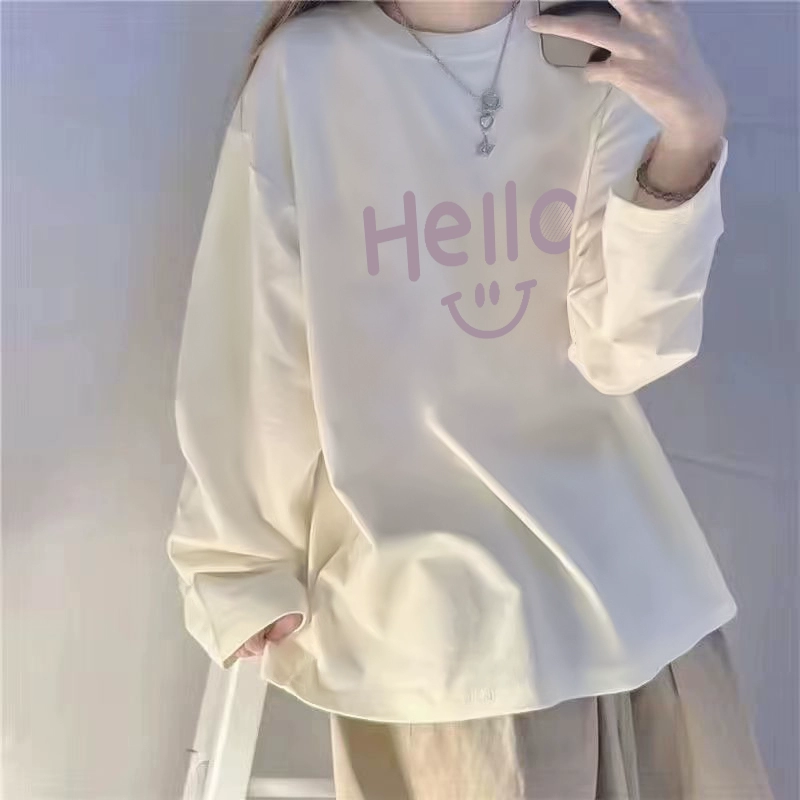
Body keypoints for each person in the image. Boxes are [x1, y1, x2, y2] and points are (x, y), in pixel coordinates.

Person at [165, 1, 775, 797]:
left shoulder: (603, 42)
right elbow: (256, 337)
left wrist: (690, 138)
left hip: (632, 592)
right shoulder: (309, 70)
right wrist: (235, 563)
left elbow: (624, 352)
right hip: (433, 609)